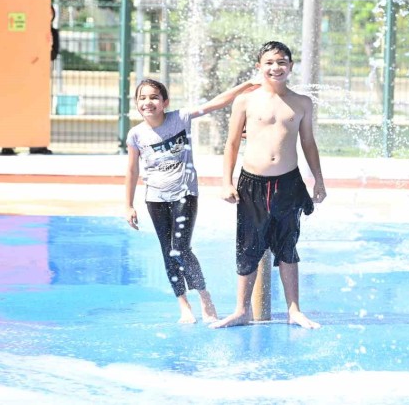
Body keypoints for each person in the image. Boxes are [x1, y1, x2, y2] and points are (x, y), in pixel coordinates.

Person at [125, 77, 261, 324]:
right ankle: (183, 305)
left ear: (165, 102)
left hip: (184, 193)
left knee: (180, 247)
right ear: (136, 103)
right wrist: (128, 205)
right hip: (155, 198)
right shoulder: (136, 134)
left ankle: (204, 296)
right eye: (142, 98)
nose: (148, 102)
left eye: (154, 97)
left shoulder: (180, 118)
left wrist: (246, 85)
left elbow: (216, 103)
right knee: (168, 252)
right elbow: (132, 170)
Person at [211, 41, 327, 330]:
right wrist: (226, 182)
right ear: (259, 66)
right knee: (248, 245)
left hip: (288, 182)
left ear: (291, 66)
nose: (276, 67)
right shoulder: (246, 101)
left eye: (282, 62)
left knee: (288, 244)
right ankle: (241, 310)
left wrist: (319, 180)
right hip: (252, 183)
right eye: (270, 62)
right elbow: (232, 143)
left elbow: (308, 143)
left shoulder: (302, 103)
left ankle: (294, 310)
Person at [2, 6, 58, 155]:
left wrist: (48, 44)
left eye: (50, 13)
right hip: (20, 76)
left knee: (37, 111)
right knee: (14, 109)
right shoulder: (27, 30)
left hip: (39, 78)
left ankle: (37, 145)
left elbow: (53, 55)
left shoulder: (53, 33)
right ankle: (8, 144)